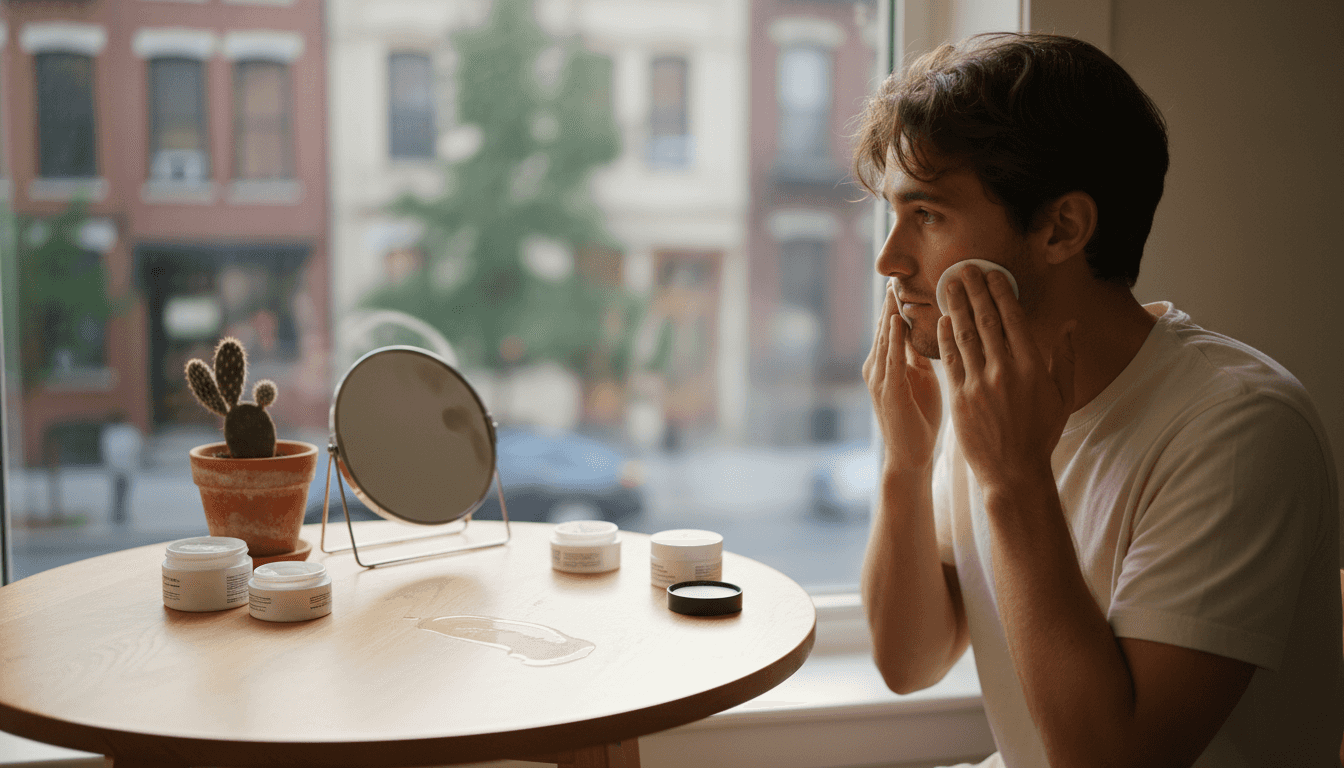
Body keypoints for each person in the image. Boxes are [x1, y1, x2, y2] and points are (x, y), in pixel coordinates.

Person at [852, 32, 1341, 767]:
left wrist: (1015, 478)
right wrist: (906, 461)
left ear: (1061, 228)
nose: (888, 260)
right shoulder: (993, 393)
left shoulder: (1238, 432)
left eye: (926, 216)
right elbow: (909, 661)